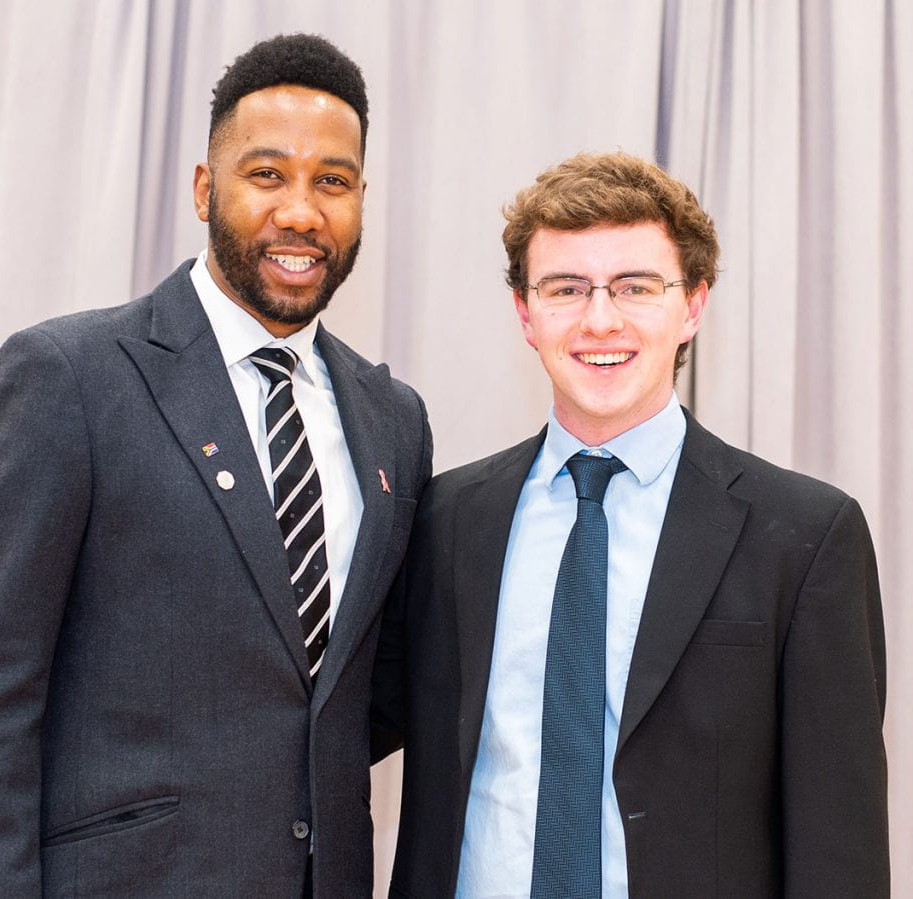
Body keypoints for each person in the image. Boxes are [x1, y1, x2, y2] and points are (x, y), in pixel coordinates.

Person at [0, 33, 432, 897]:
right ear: (206, 188)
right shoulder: (69, 378)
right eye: (267, 174)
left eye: (333, 182)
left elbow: (363, 692)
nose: (301, 212)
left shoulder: (394, 420)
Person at [372, 152, 888, 896]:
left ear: (694, 304)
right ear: (525, 312)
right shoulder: (447, 519)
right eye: (566, 288)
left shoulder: (808, 537)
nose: (600, 318)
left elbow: (839, 846)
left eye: (636, 287)